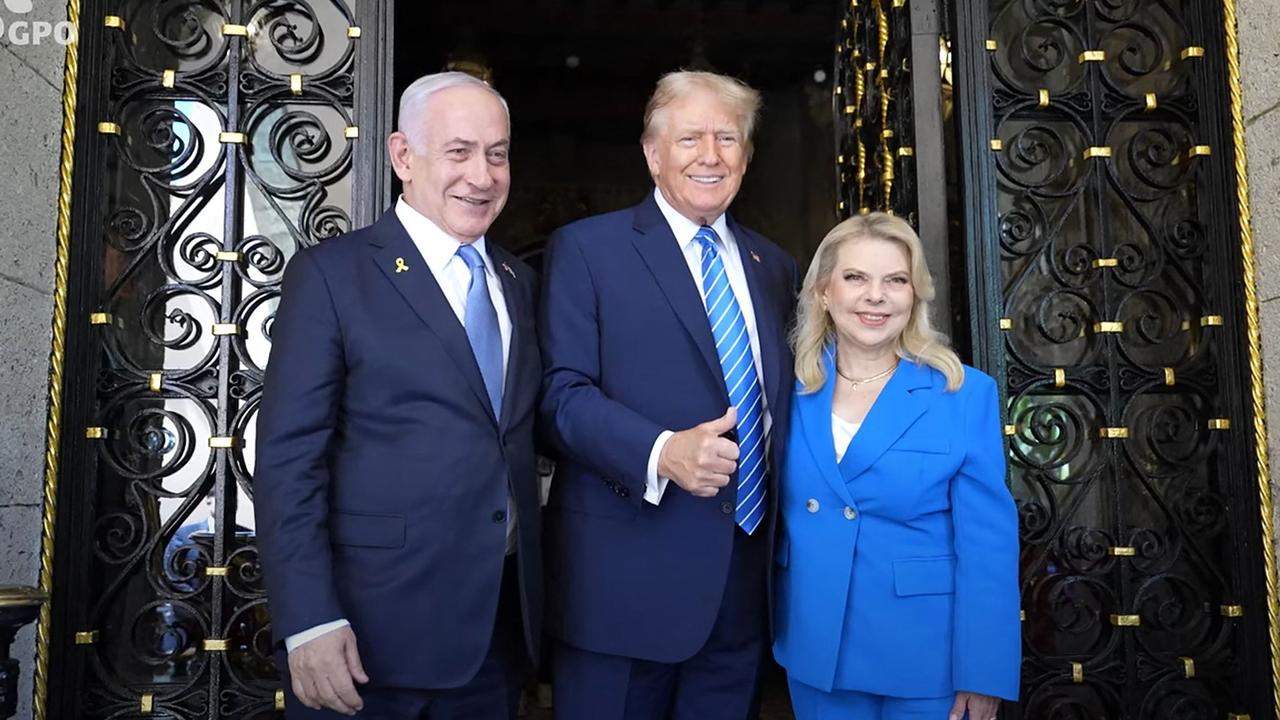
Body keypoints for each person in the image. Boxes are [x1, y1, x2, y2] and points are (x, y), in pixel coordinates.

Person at [254, 71, 542, 719]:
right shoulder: (331, 275)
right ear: (402, 157)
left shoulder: (516, 281)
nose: (483, 174)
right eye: (460, 151)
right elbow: (287, 461)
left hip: (493, 639)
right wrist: (308, 619)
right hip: (365, 641)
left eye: (497, 154)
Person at [538, 70, 799, 719]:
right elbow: (558, 396)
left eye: (727, 138)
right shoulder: (587, 249)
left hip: (742, 594)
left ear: (747, 156)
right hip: (622, 593)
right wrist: (661, 452)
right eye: (690, 138)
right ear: (653, 153)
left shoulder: (777, 268)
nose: (710, 155)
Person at [771, 212, 1020, 720]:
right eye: (856, 277)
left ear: (914, 295)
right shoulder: (782, 391)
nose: (876, 296)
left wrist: (984, 670)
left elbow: (988, 547)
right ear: (823, 292)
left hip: (927, 659)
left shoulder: (963, 394)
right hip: (816, 649)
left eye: (896, 280)